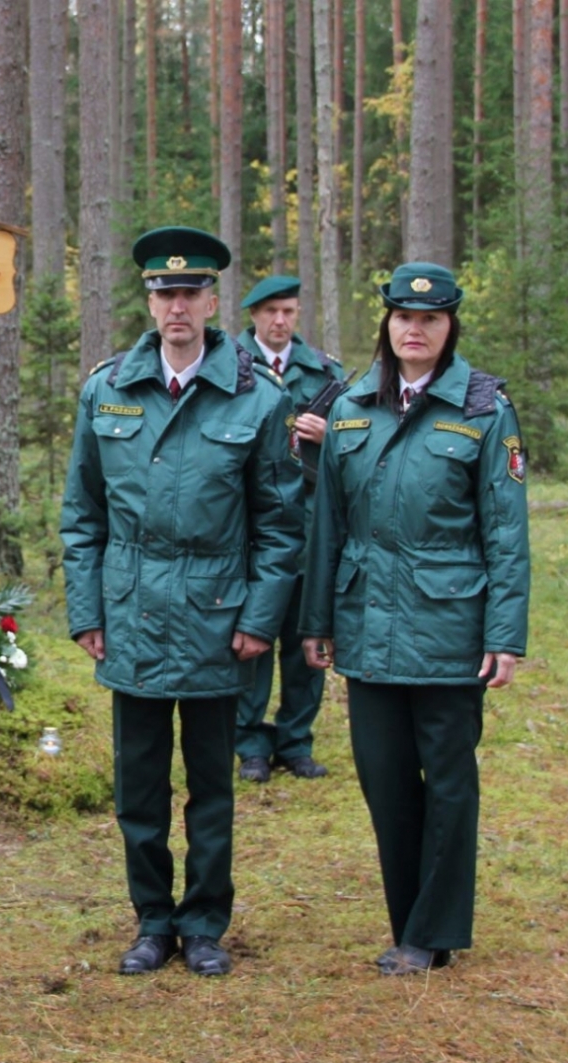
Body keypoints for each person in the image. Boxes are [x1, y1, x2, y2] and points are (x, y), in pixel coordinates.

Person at [60, 228, 305, 978]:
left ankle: (203, 922)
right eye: (164, 293)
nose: (177, 307)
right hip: (131, 611)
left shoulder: (257, 397)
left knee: (210, 786)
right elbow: (82, 515)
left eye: (190, 293)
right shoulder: (108, 389)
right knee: (139, 788)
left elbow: (280, 521)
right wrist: (88, 610)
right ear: (148, 300)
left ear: (211, 300)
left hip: (216, 617)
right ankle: (151, 920)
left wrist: (262, 617)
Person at [299, 262, 530, 976]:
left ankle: (432, 932)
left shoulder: (485, 409)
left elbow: (506, 531)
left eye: (430, 319)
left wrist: (505, 633)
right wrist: (317, 621)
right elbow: (327, 524)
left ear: (450, 326)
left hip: (449, 623)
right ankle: (410, 923)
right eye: (404, 317)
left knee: (450, 781)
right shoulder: (351, 406)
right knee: (385, 778)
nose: (415, 329)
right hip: (367, 622)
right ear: (387, 324)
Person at [232, 275, 345, 783]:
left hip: (309, 532)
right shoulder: (227, 367)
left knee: (307, 645)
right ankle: (251, 743)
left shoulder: (324, 373)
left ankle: (296, 741)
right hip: (250, 533)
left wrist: (331, 435)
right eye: (271, 311)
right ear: (253, 313)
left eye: (290, 312)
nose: (281, 321)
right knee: (251, 642)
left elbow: (360, 452)